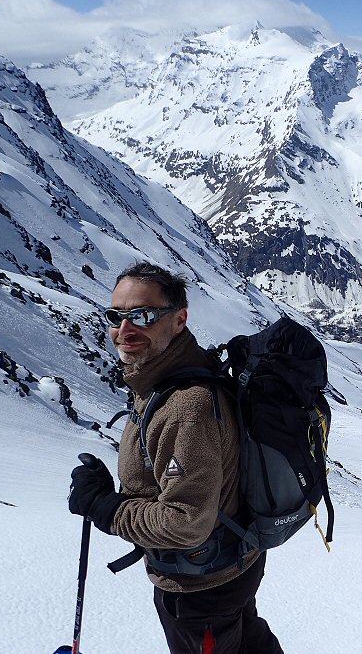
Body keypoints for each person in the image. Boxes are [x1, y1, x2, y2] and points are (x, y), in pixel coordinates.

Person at [67, 261, 283, 653]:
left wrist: (105, 508)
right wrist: (112, 495)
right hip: (230, 562)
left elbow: (186, 523)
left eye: (143, 316)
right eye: (116, 316)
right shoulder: (169, 374)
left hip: (202, 590)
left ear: (179, 320)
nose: (124, 329)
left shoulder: (186, 406)